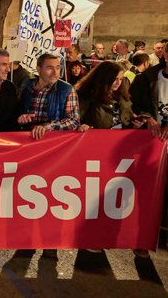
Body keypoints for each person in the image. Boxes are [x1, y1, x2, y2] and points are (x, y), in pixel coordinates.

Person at [75, 61, 150, 257]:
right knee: (94, 199)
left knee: (112, 199)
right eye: (115, 79)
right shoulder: (86, 95)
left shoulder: (122, 95)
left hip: (119, 155)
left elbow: (126, 119)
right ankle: (90, 237)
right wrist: (84, 127)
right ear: (104, 79)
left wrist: (135, 123)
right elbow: (76, 120)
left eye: (120, 79)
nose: (118, 83)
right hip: (95, 155)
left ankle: (107, 236)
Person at [18, 53, 86, 140]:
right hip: (26, 139)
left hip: (52, 141)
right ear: (39, 69)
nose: (55, 72)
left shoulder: (66, 89)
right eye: (50, 68)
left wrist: (49, 126)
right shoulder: (27, 85)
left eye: (57, 68)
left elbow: (74, 121)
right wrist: (20, 119)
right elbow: (16, 112)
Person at [129, 42, 168, 141]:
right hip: (149, 135)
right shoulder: (144, 79)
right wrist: (147, 117)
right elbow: (131, 103)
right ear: (166, 55)